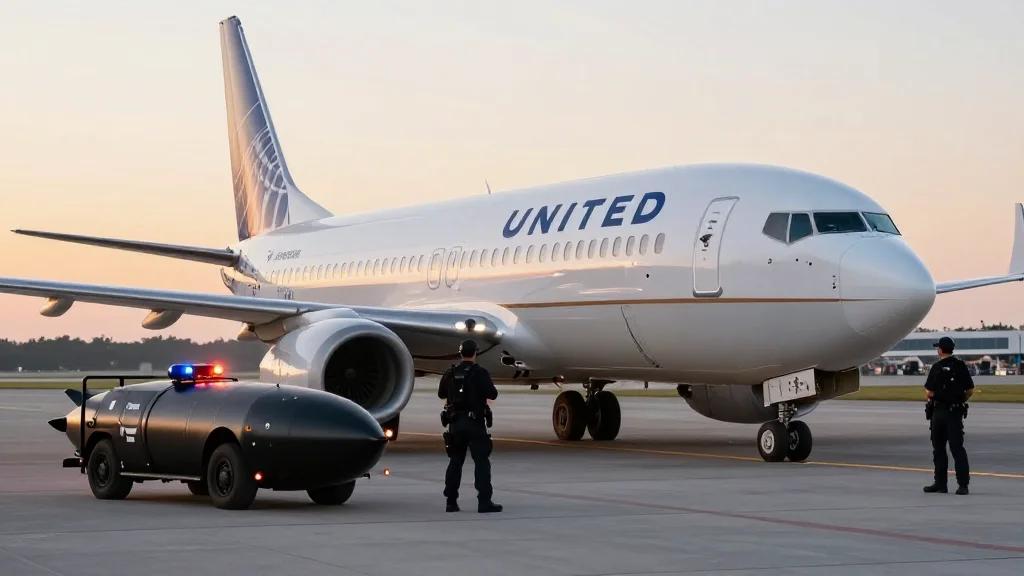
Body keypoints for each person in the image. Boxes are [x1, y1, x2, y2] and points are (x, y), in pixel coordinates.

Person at [438, 339, 502, 513]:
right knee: (481, 463)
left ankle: (451, 502)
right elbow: (493, 394)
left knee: (455, 462)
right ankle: (484, 501)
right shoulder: (480, 372)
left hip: (456, 424)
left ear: (460, 353)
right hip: (475, 424)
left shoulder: (450, 373)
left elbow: (441, 393)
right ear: (475, 353)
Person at [923, 336, 974, 495]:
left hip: (938, 412)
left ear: (940, 350)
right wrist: (959, 400)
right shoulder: (960, 366)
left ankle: (940, 484)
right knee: (957, 448)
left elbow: (929, 391)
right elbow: (970, 389)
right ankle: (963, 485)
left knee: (938, 449)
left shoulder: (936, 367)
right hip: (955, 412)